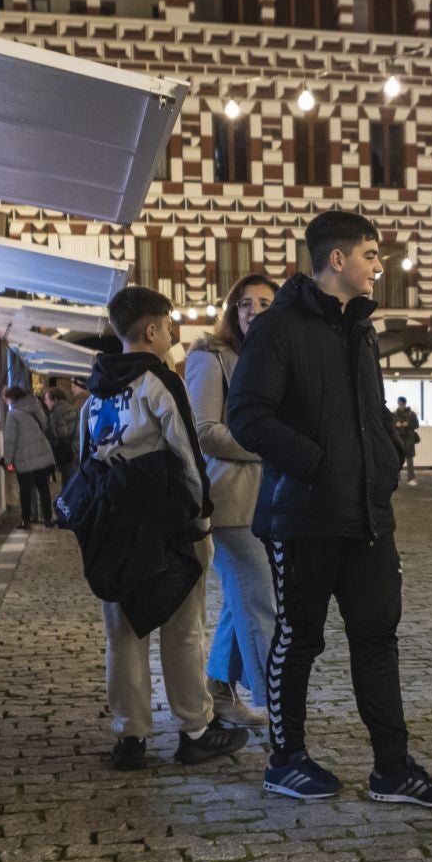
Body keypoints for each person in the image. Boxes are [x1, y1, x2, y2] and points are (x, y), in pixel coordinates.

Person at [228, 211, 432, 808]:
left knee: (377, 639)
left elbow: (369, 410)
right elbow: (248, 415)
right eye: (371, 254)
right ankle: (286, 758)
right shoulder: (278, 328)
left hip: (367, 516)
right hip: (302, 516)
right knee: (298, 639)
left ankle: (392, 767)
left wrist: (379, 464)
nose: (379, 266)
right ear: (338, 259)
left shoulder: (359, 326)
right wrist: (316, 462)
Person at [83, 286, 250, 772]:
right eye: (169, 326)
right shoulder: (157, 381)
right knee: (183, 629)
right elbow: (186, 452)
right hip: (166, 526)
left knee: (123, 633)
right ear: (152, 330)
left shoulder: (96, 387)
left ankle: (130, 736)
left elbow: (84, 459)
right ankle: (194, 729)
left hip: (112, 527)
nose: (172, 334)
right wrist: (201, 520)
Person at [185, 274, 279, 730]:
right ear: (231, 311)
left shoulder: (277, 357)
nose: (255, 310)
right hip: (231, 499)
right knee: (261, 600)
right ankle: (276, 702)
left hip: (274, 499)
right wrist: (270, 445)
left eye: (264, 302)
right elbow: (204, 431)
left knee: (244, 598)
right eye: (245, 303)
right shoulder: (211, 357)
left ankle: (220, 689)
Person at [0, 385, 57, 529]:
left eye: (6, 399)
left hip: (23, 456)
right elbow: (44, 425)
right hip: (40, 451)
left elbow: (10, 440)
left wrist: (7, 461)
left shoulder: (13, 414)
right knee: (43, 487)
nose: (6, 402)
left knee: (25, 489)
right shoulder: (35, 407)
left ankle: (26, 520)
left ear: (11, 398)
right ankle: (48, 518)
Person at [44, 379, 83, 487]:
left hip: (67, 453)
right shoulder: (72, 408)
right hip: (77, 449)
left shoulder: (56, 412)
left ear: (55, 399)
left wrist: (51, 436)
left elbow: (62, 434)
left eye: (47, 399)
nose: (45, 402)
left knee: (67, 483)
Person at [392, 396, 421, 485]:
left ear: (405, 403)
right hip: (398, 439)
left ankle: (411, 479)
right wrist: (396, 425)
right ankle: (397, 479)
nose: (400, 405)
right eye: (399, 403)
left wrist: (408, 424)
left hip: (409, 439)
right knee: (397, 460)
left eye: (402, 403)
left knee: (409, 460)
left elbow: (416, 425)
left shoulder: (411, 414)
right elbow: (390, 426)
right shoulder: (394, 414)